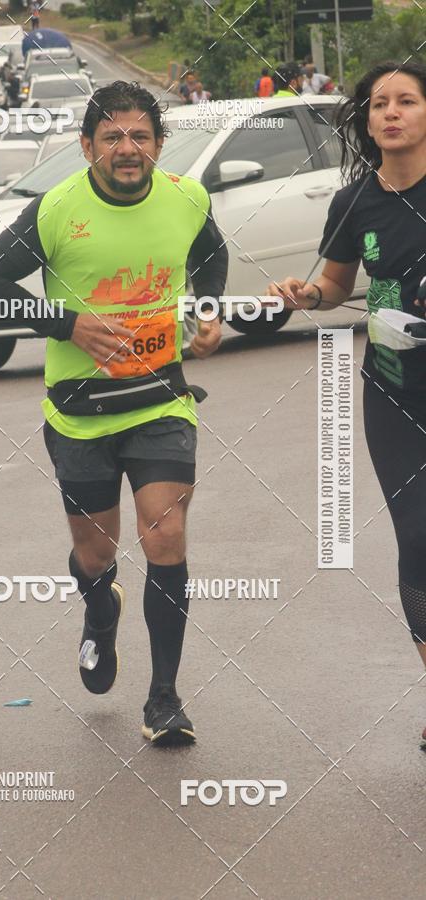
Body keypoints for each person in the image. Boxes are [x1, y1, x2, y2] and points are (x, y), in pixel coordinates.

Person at [0, 81, 227, 746]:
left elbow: (213, 257)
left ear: (159, 146)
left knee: (164, 535)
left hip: (161, 401)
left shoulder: (186, 198)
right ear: (87, 147)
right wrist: (68, 324)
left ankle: (165, 699)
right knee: (95, 551)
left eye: (140, 135)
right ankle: (98, 608)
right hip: (80, 413)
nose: (127, 148)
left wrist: (206, 310)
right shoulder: (56, 211)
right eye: (112, 137)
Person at [266, 61, 426, 743]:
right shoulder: (355, 201)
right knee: (418, 539)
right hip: (394, 386)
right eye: (379, 104)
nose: (390, 113)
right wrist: (309, 296)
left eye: (407, 101)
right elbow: (335, 284)